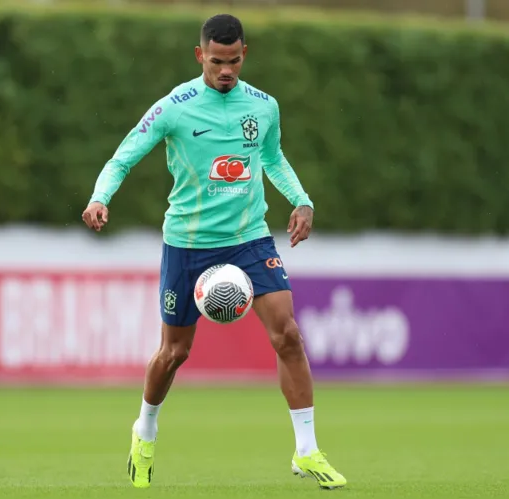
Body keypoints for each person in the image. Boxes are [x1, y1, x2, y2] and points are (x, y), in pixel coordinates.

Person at [82, 13, 346, 490]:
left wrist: (302, 200)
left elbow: (272, 157)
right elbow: (123, 156)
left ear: (245, 55)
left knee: (287, 333)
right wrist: (101, 196)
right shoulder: (174, 108)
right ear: (200, 55)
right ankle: (145, 429)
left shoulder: (264, 107)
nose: (227, 71)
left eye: (235, 62)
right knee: (174, 353)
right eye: (218, 62)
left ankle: (307, 450)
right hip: (188, 243)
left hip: (249, 238)